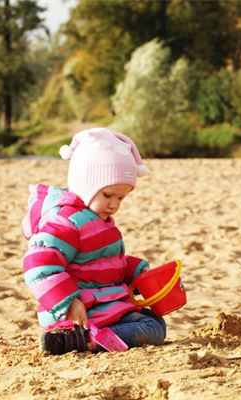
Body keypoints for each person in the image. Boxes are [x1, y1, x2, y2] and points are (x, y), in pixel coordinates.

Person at [21, 127, 166, 355]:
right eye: (108, 195)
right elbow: (38, 265)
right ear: (85, 184)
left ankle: (82, 340)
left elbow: (103, 261)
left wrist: (136, 271)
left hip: (104, 303)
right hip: (82, 311)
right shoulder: (66, 222)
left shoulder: (98, 218)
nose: (114, 204)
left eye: (121, 197)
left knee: (154, 320)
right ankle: (85, 341)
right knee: (153, 329)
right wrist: (67, 302)